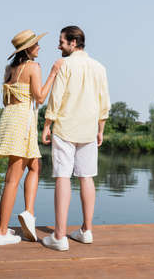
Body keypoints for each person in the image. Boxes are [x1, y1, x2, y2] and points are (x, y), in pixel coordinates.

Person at [42, 26, 110, 251]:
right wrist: (101, 129)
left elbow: (56, 98)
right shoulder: (99, 68)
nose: (58, 45)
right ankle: (86, 231)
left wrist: (47, 125)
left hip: (65, 128)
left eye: (61, 41)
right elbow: (104, 103)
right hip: (89, 130)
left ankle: (59, 236)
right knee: (86, 177)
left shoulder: (64, 65)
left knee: (62, 176)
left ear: (73, 43)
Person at [0, 29, 63, 246]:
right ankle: (2, 232)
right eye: (36, 44)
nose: (39, 47)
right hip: (22, 122)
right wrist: (53, 73)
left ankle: (28, 213)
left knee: (35, 166)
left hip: (9, 118)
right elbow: (40, 97)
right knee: (12, 179)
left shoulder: (9, 69)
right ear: (28, 48)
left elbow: (6, 101)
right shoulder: (34, 67)